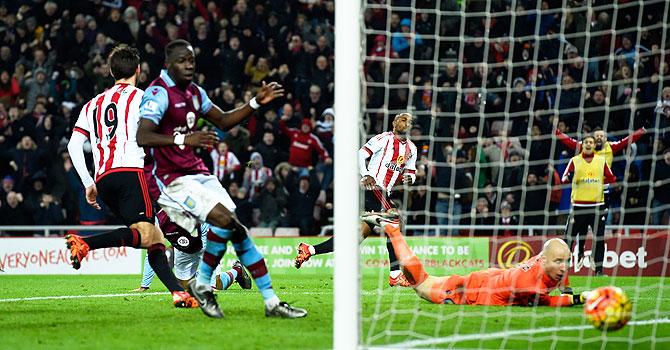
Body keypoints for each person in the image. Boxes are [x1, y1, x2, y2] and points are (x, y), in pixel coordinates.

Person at [137, 39, 306, 319]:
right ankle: (204, 283)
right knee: (224, 221)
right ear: (168, 64)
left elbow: (225, 121)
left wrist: (254, 102)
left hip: (197, 172)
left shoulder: (194, 92)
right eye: (182, 60)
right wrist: (184, 138)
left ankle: (271, 302)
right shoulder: (158, 92)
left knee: (236, 228)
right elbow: (143, 136)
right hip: (169, 180)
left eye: (192, 60)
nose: (189, 65)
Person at [65, 44, 197, 308]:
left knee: (154, 238)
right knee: (148, 236)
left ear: (112, 72)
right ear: (138, 70)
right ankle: (85, 244)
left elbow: (73, 145)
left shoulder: (92, 104)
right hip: (131, 173)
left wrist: (89, 183)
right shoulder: (143, 98)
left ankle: (178, 293)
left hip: (103, 179)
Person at [361, 211, 590, 307]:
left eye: (565, 262)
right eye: (559, 262)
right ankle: (393, 231)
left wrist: (567, 287)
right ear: (546, 260)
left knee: (422, 282)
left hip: (488, 279)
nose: (563, 268)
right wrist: (581, 298)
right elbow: (549, 304)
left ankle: (396, 250)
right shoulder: (529, 285)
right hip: (470, 291)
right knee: (422, 285)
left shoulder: (547, 258)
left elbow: (557, 257)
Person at [294, 112, 417, 287]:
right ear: (394, 123)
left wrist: (410, 178)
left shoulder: (412, 149)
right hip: (372, 188)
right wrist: (366, 174)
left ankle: (310, 250)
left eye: (410, 121)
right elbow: (361, 154)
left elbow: (411, 171)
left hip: (384, 194)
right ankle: (395, 274)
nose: (407, 123)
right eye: (403, 119)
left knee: (354, 238)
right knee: (395, 221)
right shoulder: (383, 139)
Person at [554, 126, 645, 249]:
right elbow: (570, 142)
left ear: (606, 138)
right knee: (581, 222)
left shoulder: (611, 147)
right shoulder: (586, 146)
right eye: (597, 136)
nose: (599, 138)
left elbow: (626, 141)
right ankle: (580, 248)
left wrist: (641, 131)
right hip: (584, 191)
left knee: (600, 224)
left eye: (601, 136)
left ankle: (597, 252)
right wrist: (557, 132)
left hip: (603, 191)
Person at [134, 209, 252, 292]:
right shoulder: (160, 221)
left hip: (206, 244)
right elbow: (153, 251)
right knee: (185, 289)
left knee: (212, 287)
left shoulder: (198, 215)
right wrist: (145, 285)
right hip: (183, 250)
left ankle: (236, 271)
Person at [561, 135, 616, 276]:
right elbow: (564, 177)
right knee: (568, 237)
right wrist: (568, 178)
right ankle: (564, 267)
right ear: (582, 145)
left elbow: (611, 177)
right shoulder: (574, 160)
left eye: (591, 142)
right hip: (578, 206)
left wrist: (600, 182)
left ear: (593, 145)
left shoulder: (601, 161)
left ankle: (598, 270)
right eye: (586, 142)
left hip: (598, 205)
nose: (589, 144)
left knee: (599, 238)